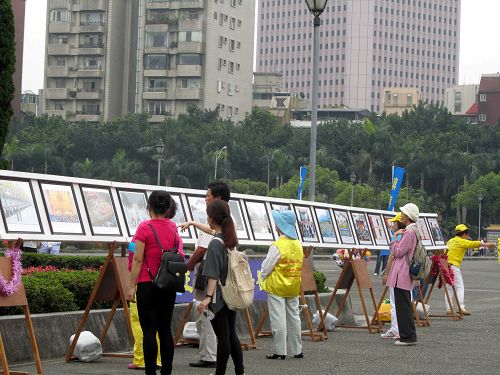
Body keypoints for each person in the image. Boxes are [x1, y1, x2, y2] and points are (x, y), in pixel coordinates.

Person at [127, 190, 183, 375]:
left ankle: (150, 371)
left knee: (149, 330)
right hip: (167, 285)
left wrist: (131, 285)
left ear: (149, 207)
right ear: (167, 208)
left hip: (146, 284)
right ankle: (167, 371)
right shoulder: (173, 228)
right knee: (165, 329)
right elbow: (178, 253)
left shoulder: (144, 228)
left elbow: (137, 259)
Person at [180, 181, 231, 369]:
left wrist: (187, 266)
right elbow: (209, 231)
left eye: (207, 195)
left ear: (217, 198)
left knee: (205, 316)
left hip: (209, 279)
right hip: (222, 281)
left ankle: (209, 356)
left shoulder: (216, 221)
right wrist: (193, 222)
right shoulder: (227, 219)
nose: (205, 198)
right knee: (223, 327)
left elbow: (201, 249)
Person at [196, 200, 245, 375]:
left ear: (211, 219)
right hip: (231, 293)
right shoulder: (229, 239)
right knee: (231, 335)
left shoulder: (215, 243)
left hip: (218, 296)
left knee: (223, 337)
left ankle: (220, 372)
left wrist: (208, 297)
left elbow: (212, 274)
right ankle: (240, 371)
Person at [260, 210, 304, 360]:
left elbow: (267, 266)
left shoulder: (278, 244)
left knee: (278, 319)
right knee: (294, 318)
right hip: (293, 286)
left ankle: (280, 351)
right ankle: (297, 350)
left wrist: (263, 276)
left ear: (280, 226)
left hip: (276, 287)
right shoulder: (298, 244)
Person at [385, 203, 420, 346]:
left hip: (402, 272)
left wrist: (394, 238)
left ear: (408, 217)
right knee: (404, 304)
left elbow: (398, 252)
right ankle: (408, 335)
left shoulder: (409, 232)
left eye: (404, 213)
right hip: (406, 271)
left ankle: (407, 336)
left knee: (402, 306)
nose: (402, 215)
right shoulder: (414, 231)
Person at [445, 224, 496, 315]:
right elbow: (473, 244)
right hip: (453, 266)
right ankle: (461, 307)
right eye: (467, 234)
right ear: (464, 234)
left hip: (445, 266)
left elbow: (445, 252)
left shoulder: (450, 241)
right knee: (460, 287)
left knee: (449, 288)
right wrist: (488, 244)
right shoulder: (462, 241)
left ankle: (449, 309)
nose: (468, 236)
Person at [380, 212, 405, 340]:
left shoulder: (398, 238)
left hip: (397, 273)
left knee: (395, 303)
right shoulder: (409, 235)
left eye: (394, 222)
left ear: (399, 223)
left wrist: (386, 273)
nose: (392, 224)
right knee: (405, 302)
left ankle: (395, 329)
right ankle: (401, 329)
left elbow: (391, 257)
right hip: (406, 274)